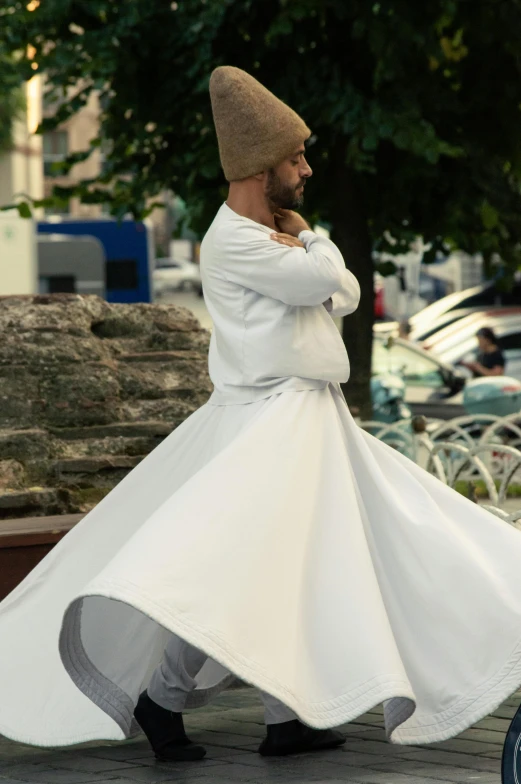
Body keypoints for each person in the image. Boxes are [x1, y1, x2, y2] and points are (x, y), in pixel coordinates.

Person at [3, 68, 521, 784]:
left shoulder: (268, 238)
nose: (305, 170)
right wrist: (310, 240)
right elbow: (323, 282)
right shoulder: (234, 242)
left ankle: (280, 722)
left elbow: (342, 295)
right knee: (239, 574)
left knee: (285, 570)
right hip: (267, 425)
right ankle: (169, 698)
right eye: (296, 158)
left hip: (303, 419)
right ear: (260, 167)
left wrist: (311, 250)